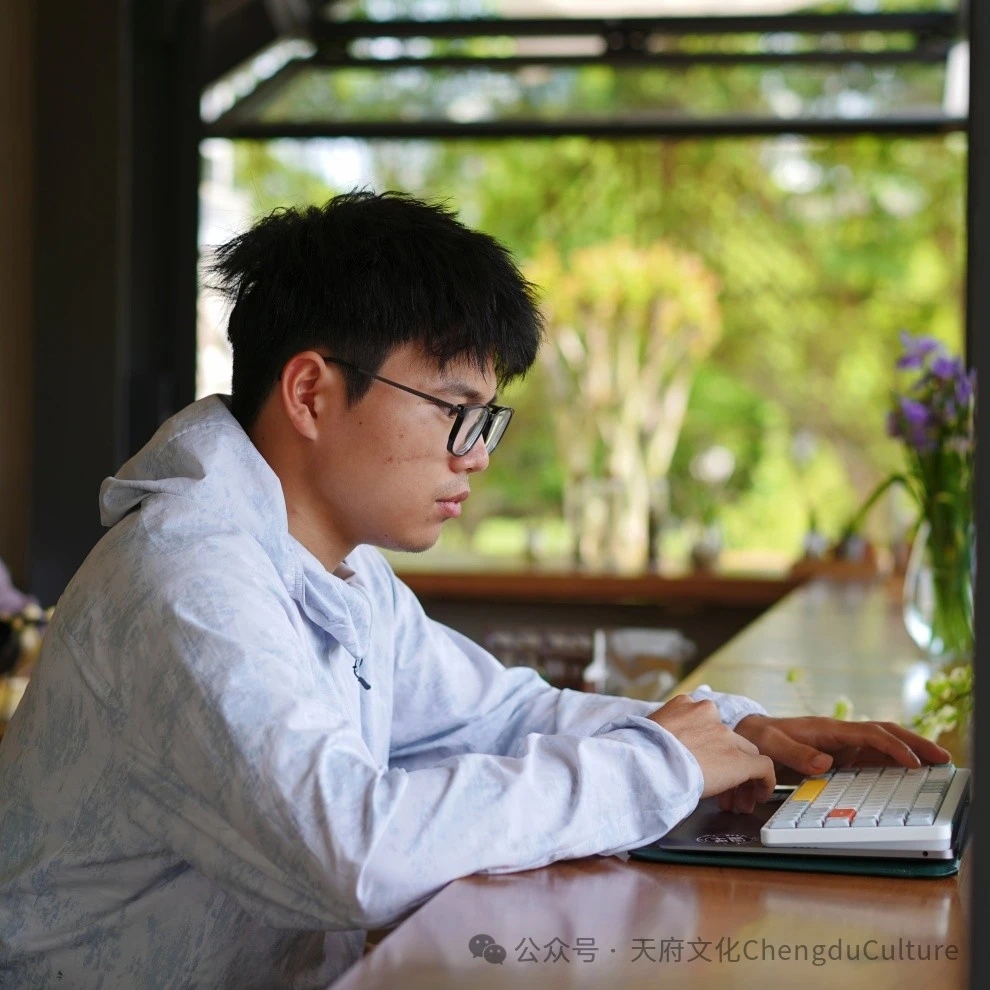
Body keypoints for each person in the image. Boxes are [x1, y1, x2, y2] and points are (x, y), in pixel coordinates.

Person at [0, 192, 949, 989]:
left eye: (485, 419)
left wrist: (733, 731)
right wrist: (661, 766)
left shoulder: (336, 570)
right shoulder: (186, 577)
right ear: (310, 393)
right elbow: (354, 852)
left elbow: (500, 717)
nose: (477, 457)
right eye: (455, 412)